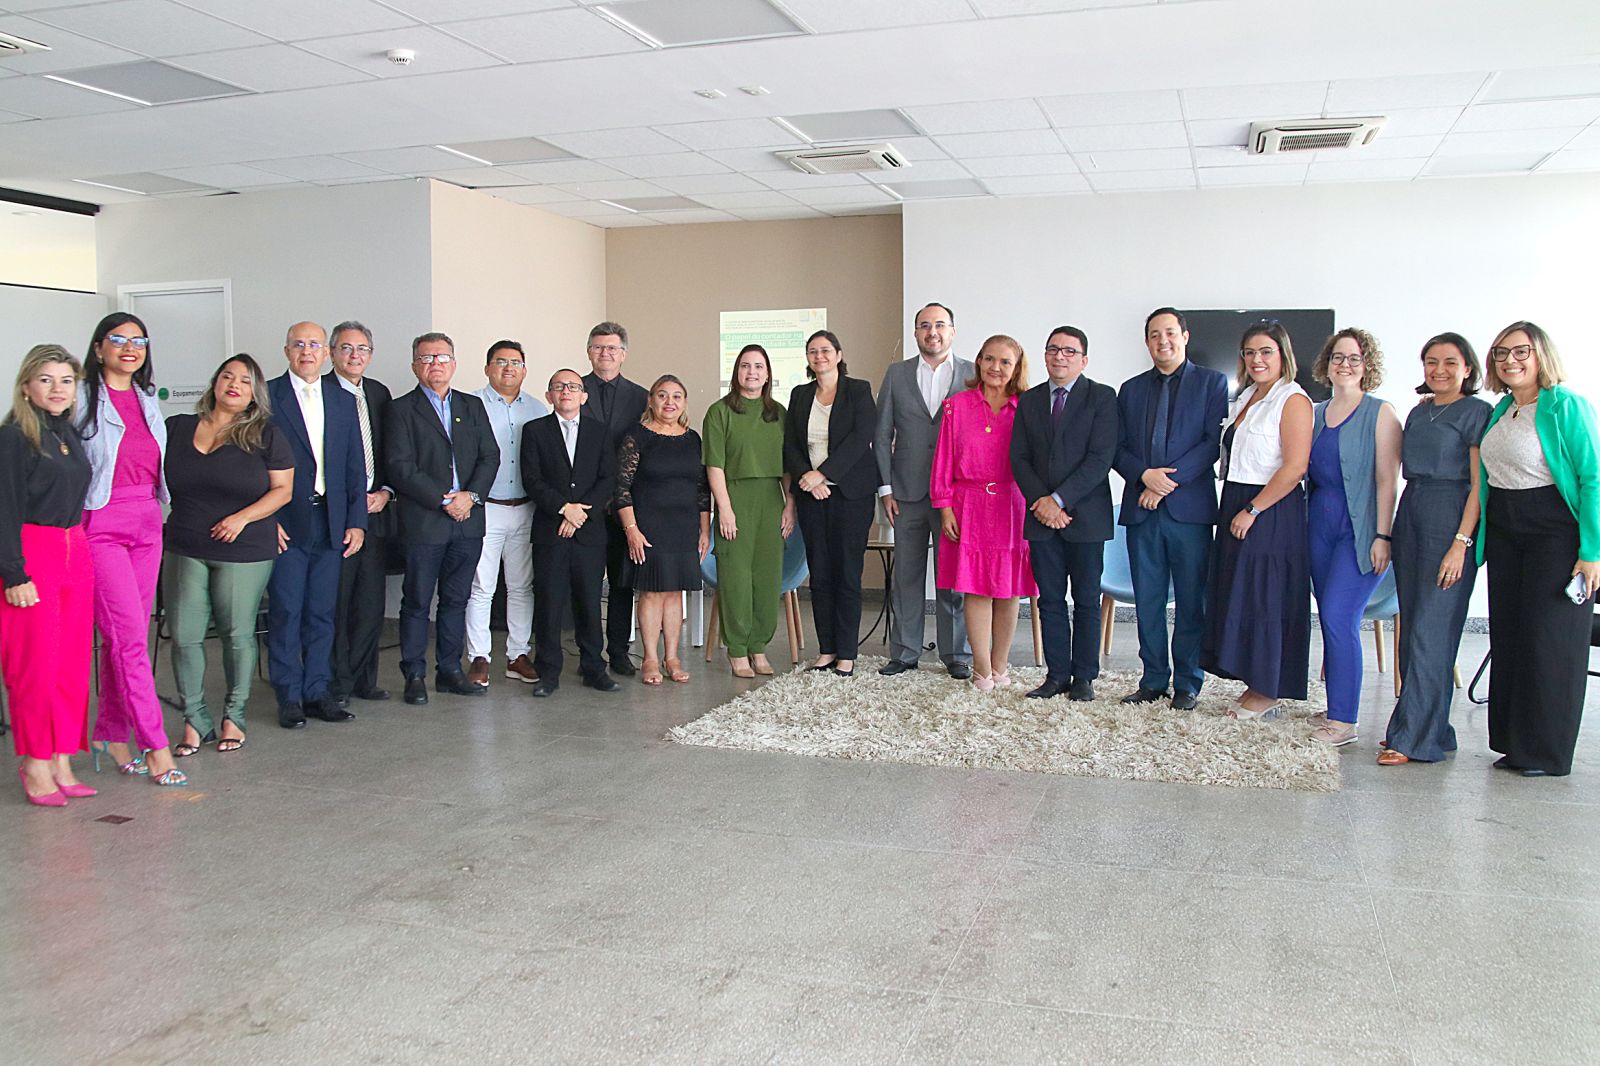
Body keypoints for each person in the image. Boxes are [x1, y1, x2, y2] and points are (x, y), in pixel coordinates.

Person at [1476, 321, 1599, 778]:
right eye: (1501, 353)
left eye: (1520, 351)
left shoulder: (1566, 406)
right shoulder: (1503, 408)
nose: (1510, 360)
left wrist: (1592, 552)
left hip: (1555, 533)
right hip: (1507, 531)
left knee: (1550, 642)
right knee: (1511, 636)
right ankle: (1514, 744)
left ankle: (1546, 753)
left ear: (1540, 354)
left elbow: (1593, 478)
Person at [164, 355, 293, 759]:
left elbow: (283, 491)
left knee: (236, 635)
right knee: (184, 636)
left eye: (245, 380)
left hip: (244, 547)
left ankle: (233, 717)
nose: (234, 384)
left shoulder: (266, 435)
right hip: (185, 544)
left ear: (255, 393)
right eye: (227, 376)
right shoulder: (177, 427)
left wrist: (243, 518)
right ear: (215, 383)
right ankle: (194, 719)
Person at [77, 313, 181, 780]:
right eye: (118, 340)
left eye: (139, 341)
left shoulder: (146, 398)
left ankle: (111, 734)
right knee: (130, 641)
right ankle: (156, 745)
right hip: (101, 520)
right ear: (99, 348)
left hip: (147, 520)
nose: (129, 348)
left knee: (127, 635)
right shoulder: (81, 398)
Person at [1381, 333, 1492, 765]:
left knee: (1432, 632)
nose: (1439, 370)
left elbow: (1479, 485)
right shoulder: (1418, 411)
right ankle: (1432, 729)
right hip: (1412, 512)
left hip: (1450, 516)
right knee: (1413, 630)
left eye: (1449, 362)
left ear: (1468, 368)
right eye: (1431, 361)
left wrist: (1461, 543)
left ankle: (1414, 739)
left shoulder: (1476, 412)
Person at [1113, 308, 1230, 710]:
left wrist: (1164, 484)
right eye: (1154, 335)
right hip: (1142, 510)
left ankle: (1187, 682)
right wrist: (1144, 476)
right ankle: (1153, 679)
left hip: (1189, 513)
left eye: (1169, 333)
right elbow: (1117, 448)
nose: (1162, 341)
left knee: (1191, 601)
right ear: (1147, 342)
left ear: (1184, 336)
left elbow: (1211, 444)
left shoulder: (1211, 383)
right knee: (1147, 601)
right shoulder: (1130, 390)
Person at [1202, 322, 1313, 719]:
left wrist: (1253, 510)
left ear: (1283, 355)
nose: (1256, 359)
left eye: (1266, 351)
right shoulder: (1247, 395)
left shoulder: (1293, 399)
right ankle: (1253, 682)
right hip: (1236, 497)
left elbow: (1295, 466)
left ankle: (1268, 690)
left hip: (1270, 506)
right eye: (1250, 352)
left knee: (1267, 596)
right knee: (1243, 593)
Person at [2, 346, 97, 805]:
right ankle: (35, 761)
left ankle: (62, 757)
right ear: (26, 387)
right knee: (35, 666)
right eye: (46, 379)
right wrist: (13, 572)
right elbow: (3, 509)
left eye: (66, 380)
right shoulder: (13, 437)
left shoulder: (68, 434)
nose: (57, 389)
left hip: (74, 549)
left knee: (72, 665)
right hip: (32, 554)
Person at [384, 332, 499, 706]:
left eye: (442, 357)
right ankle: (414, 674)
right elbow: (400, 466)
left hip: (468, 521)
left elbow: (490, 456)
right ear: (414, 365)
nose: (435, 364)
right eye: (427, 358)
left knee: (456, 600)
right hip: (425, 521)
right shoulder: (401, 409)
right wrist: (442, 500)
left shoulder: (472, 405)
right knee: (417, 601)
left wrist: (471, 496)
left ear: (454, 363)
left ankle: (449, 670)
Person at [266, 322, 366, 729]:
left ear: (326, 353)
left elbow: (355, 465)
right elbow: (253, 461)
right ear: (286, 350)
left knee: (323, 611)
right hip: (286, 519)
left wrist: (357, 520)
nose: (306, 351)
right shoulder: (268, 396)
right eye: (298, 344)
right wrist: (266, 518)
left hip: (331, 519)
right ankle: (288, 694)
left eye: (314, 345)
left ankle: (317, 690)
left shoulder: (342, 399)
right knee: (287, 609)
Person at [1305, 329, 1402, 745]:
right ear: (1327, 364)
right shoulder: (1314, 412)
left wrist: (1383, 536)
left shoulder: (1380, 413)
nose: (1344, 364)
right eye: (1338, 357)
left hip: (1360, 531)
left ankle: (1344, 722)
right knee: (1329, 616)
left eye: (1354, 358)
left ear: (1367, 366)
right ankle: (1334, 705)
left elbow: (1387, 480)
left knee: (1339, 617)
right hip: (1317, 528)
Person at [1010, 326, 1118, 701]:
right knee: (1051, 600)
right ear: (1044, 356)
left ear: (1083, 360)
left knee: (1086, 600)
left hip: (1085, 518)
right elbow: (1019, 458)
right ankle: (1057, 675)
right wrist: (1043, 502)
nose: (1060, 356)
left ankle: (1085, 676)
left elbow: (1100, 459)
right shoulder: (1030, 400)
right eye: (1053, 349)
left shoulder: (1102, 397)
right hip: (1041, 517)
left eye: (1069, 351)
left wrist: (1058, 500)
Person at [930, 335, 1038, 690]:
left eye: (1005, 362)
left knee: (1008, 589)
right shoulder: (956, 406)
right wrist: (945, 508)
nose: (996, 367)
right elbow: (943, 460)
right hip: (969, 505)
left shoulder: (1027, 408)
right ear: (978, 361)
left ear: (1016, 368)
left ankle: (1000, 665)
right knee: (975, 588)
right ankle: (980, 668)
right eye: (989, 359)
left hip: (1012, 504)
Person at [875, 303, 976, 679]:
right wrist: (886, 489)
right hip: (907, 493)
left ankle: (957, 654)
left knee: (952, 578)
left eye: (939, 325)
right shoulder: (897, 374)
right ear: (916, 332)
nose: (932, 332)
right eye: (924, 326)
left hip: (955, 495)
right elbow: (881, 435)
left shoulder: (973, 374)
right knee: (907, 576)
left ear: (952, 331)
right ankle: (904, 652)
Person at [785, 330, 878, 677]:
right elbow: (790, 444)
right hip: (812, 496)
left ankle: (847, 655)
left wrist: (822, 474)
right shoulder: (800, 394)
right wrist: (808, 479)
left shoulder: (858, 390)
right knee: (820, 574)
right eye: (813, 351)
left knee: (847, 573)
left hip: (851, 496)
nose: (819, 356)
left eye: (825, 350)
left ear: (838, 354)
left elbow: (860, 439)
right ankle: (827, 650)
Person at [522, 369, 619, 697]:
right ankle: (548, 671)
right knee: (549, 602)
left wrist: (579, 513)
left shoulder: (599, 432)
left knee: (589, 601)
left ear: (583, 396)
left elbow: (608, 479)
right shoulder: (535, 431)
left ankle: (594, 668)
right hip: (550, 531)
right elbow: (532, 479)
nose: (566, 391)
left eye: (573, 386)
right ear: (549, 395)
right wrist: (565, 508)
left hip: (589, 533)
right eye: (559, 387)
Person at [702, 345, 795, 678]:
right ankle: (738, 649)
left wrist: (790, 505)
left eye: (758, 366)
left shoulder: (779, 413)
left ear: (768, 374)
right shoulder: (719, 412)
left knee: (767, 577)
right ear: (736, 372)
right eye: (745, 366)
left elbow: (789, 466)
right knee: (736, 576)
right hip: (735, 498)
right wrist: (724, 509)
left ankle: (759, 645)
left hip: (771, 499)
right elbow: (714, 466)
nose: (752, 372)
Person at [616, 375, 711, 685]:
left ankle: (672, 657)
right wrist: (631, 530)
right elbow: (622, 488)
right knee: (653, 592)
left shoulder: (693, 439)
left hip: (684, 527)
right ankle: (650, 658)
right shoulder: (637, 435)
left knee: (674, 592)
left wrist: (704, 531)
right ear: (651, 400)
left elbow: (702, 489)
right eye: (662, 395)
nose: (669, 402)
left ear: (684, 402)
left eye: (676, 396)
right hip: (649, 527)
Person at [466, 340, 548, 689]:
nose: (508, 368)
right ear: (487, 368)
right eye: (500, 362)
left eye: (515, 362)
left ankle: (518, 654)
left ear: (524, 370)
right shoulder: (471, 405)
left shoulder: (538, 408)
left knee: (521, 585)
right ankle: (479, 657)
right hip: (486, 507)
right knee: (482, 586)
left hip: (525, 507)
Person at [326, 321, 396, 706]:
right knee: (338, 603)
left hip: (375, 512)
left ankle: (363, 679)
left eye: (363, 349)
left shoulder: (378, 393)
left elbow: (389, 452)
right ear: (332, 353)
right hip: (337, 515)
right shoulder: (319, 391)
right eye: (347, 348)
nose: (355, 356)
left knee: (370, 605)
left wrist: (386, 491)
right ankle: (336, 684)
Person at [581, 322, 649, 677]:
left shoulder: (642, 397)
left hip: (625, 504)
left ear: (623, 354)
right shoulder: (573, 389)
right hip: (585, 503)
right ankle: (588, 654)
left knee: (622, 582)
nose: (604, 353)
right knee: (587, 583)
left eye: (612, 348)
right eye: (598, 347)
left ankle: (619, 651)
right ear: (588, 352)